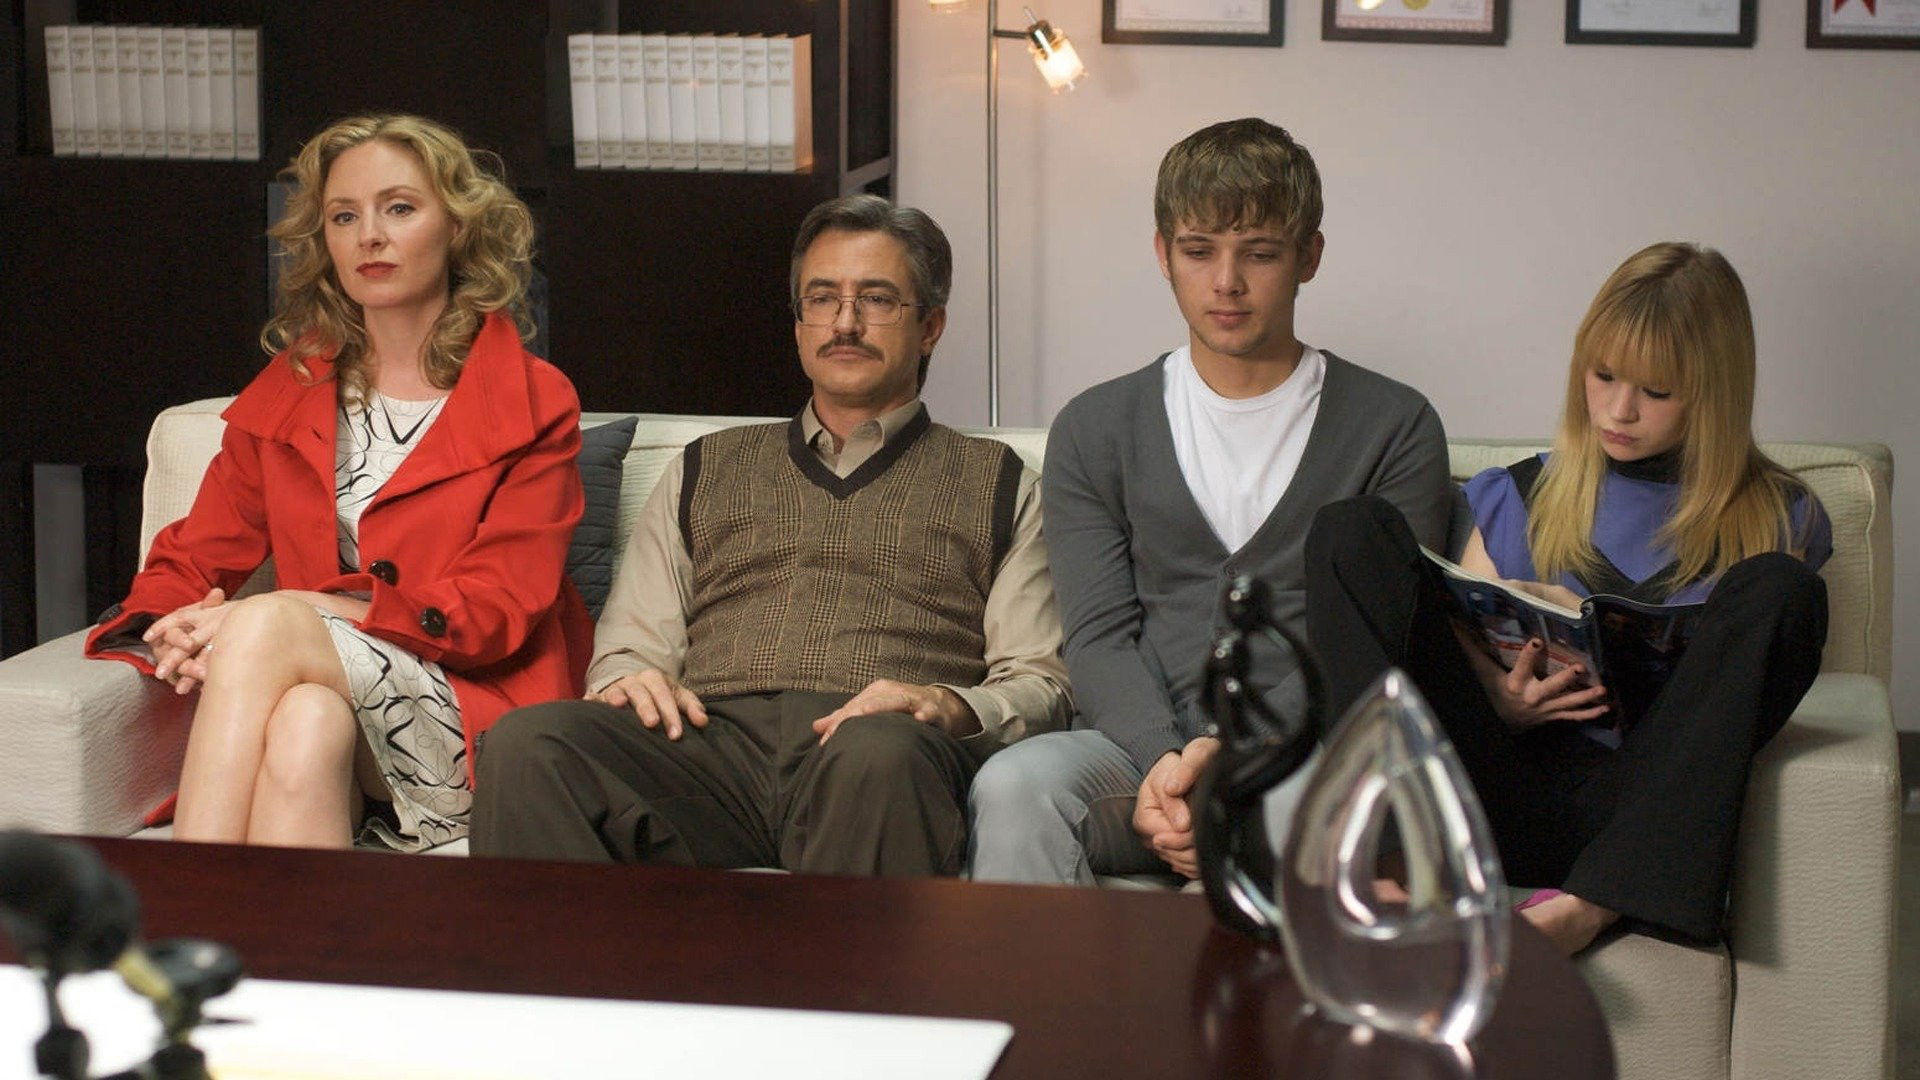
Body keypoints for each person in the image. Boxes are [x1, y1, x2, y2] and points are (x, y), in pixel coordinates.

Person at [469, 194, 1072, 877]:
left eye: (877, 299)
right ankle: (588, 955)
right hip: (708, 747)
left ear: (930, 325)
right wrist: (631, 681)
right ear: (798, 322)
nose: (845, 323)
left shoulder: (1001, 483)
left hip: (877, 748)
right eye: (822, 298)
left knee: (879, 753)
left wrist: (942, 703)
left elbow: (1040, 682)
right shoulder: (706, 466)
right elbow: (633, 646)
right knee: (529, 743)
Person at [1304, 241, 1831, 954]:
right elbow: (1460, 645)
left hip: (1640, 812)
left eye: (1656, 392)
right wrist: (1500, 698)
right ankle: (1391, 863)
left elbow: (1736, 698)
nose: (1618, 409)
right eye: (1603, 375)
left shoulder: (1778, 517)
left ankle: (1592, 905)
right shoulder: (1518, 494)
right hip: (1489, 791)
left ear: (1714, 392)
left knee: (1785, 591)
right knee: (1351, 530)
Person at [967, 118, 1455, 885]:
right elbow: (1098, 635)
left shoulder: (1395, 426)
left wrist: (1236, 761)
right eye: (1199, 251)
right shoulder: (1096, 427)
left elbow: (1379, 641)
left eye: (1259, 253)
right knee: (1013, 788)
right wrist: (1168, 758)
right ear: (1163, 253)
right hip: (1138, 754)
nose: (1226, 281)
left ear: (1309, 257)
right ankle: (1046, 977)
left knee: (1300, 813)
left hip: (1311, 754)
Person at [86, 114, 593, 851]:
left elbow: (496, 610)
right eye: (344, 216)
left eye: (399, 208)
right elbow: (198, 551)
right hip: (335, 700)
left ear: (456, 227)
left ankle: (177, 899)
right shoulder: (294, 384)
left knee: (263, 624)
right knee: (305, 721)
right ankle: (287, 928)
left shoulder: (534, 400)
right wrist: (170, 624)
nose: (369, 237)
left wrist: (301, 607)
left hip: (476, 709)